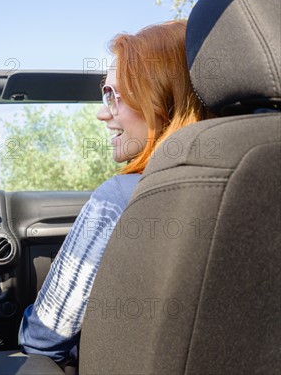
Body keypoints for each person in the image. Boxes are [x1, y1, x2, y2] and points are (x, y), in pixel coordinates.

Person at [18, 20, 211, 368]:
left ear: (160, 97)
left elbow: (44, 339)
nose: (101, 112)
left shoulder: (121, 197)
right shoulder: (257, 176)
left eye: (112, 95)